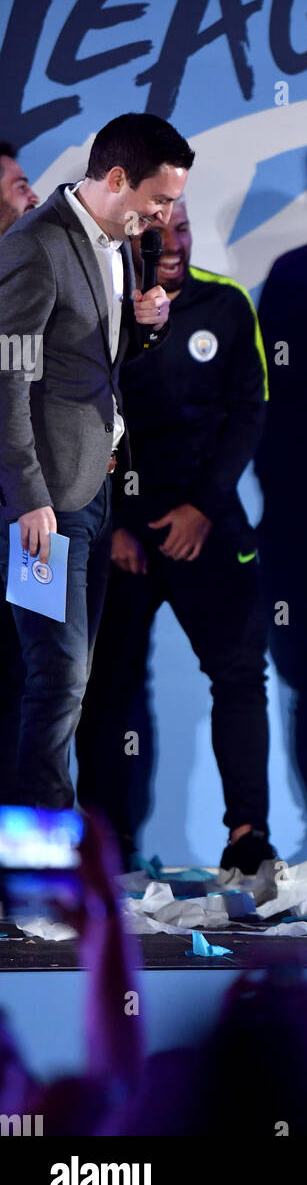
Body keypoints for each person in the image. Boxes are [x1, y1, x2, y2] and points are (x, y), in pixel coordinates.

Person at [0, 112, 192, 817]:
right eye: (160, 200)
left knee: (61, 678)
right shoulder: (37, 247)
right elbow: (7, 378)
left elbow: (86, 363)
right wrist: (28, 499)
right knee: (54, 678)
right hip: (41, 508)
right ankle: (38, 872)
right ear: (115, 179)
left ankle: (34, 864)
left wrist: (149, 330)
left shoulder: (120, 244)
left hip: (88, 496)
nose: (167, 217)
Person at [75, 199, 274, 875]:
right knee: (108, 689)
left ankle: (249, 839)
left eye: (185, 229)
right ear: (133, 240)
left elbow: (249, 413)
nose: (176, 244)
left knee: (241, 678)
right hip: (119, 529)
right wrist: (114, 526)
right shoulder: (101, 311)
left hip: (207, 521)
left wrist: (203, 508)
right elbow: (80, 419)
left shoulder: (228, 305)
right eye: (162, 234)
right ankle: (108, 846)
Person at [0, 144, 39, 801]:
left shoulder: (48, 274)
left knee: (43, 679)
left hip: (39, 521)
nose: (31, 196)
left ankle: (33, 875)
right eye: (17, 185)